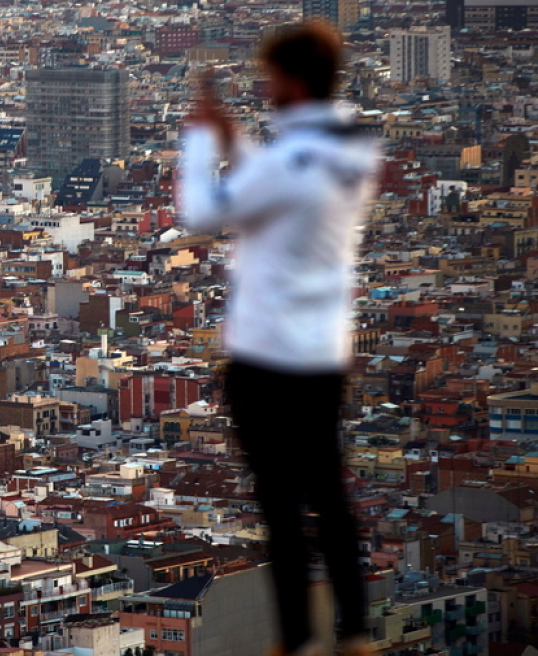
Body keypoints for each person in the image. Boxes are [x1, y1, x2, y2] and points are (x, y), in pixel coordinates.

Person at [179, 22, 379, 656]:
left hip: (266, 354)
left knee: (280, 505)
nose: (264, 87)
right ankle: (353, 631)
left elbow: (202, 214)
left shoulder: (291, 163)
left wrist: (201, 139)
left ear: (292, 81)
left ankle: (297, 639)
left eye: (270, 78)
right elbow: (278, 183)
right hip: (322, 351)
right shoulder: (351, 150)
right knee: (328, 491)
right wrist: (237, 141)